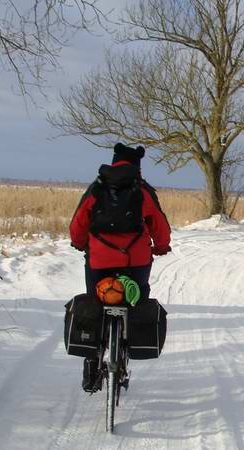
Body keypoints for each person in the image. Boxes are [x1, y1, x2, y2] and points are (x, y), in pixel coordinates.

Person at [70, 142, 171, 392]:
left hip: (99, 261)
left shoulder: (97, 188)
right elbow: (160, 225)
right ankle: (129, 340)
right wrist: (160, 246)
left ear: (114, 161)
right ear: (137, 166)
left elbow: (79, 223)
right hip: (135, 261)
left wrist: (80, 243)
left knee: (96, 301)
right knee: (137, 299)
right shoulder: (143, 191)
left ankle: (92, 362)